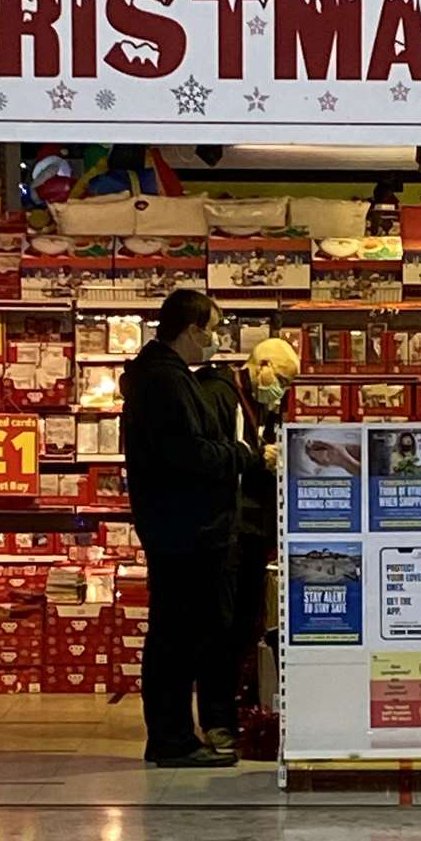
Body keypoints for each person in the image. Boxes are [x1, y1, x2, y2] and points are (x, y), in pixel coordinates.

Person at [120, 290, 273, 768]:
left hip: (179, 527)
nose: (214, 338)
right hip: (184, 531)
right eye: (212, 328)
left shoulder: (163, 377)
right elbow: (191, 454)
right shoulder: (166, 382)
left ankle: (175, 735)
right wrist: (246, 456)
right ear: (190, 330)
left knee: (177, 634)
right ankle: (172, 739)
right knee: (176, 638)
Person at [196, 336, 300, 693]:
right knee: (222, 626)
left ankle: (238, 700)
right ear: (263, 368)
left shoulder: (263, 403)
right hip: (226, 532)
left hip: (254, 531)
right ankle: (218, 714)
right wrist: (259, 458)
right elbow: (210, 457)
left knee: (245, 623)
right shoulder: (218, 395)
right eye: (283, 381)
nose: (284, 391)